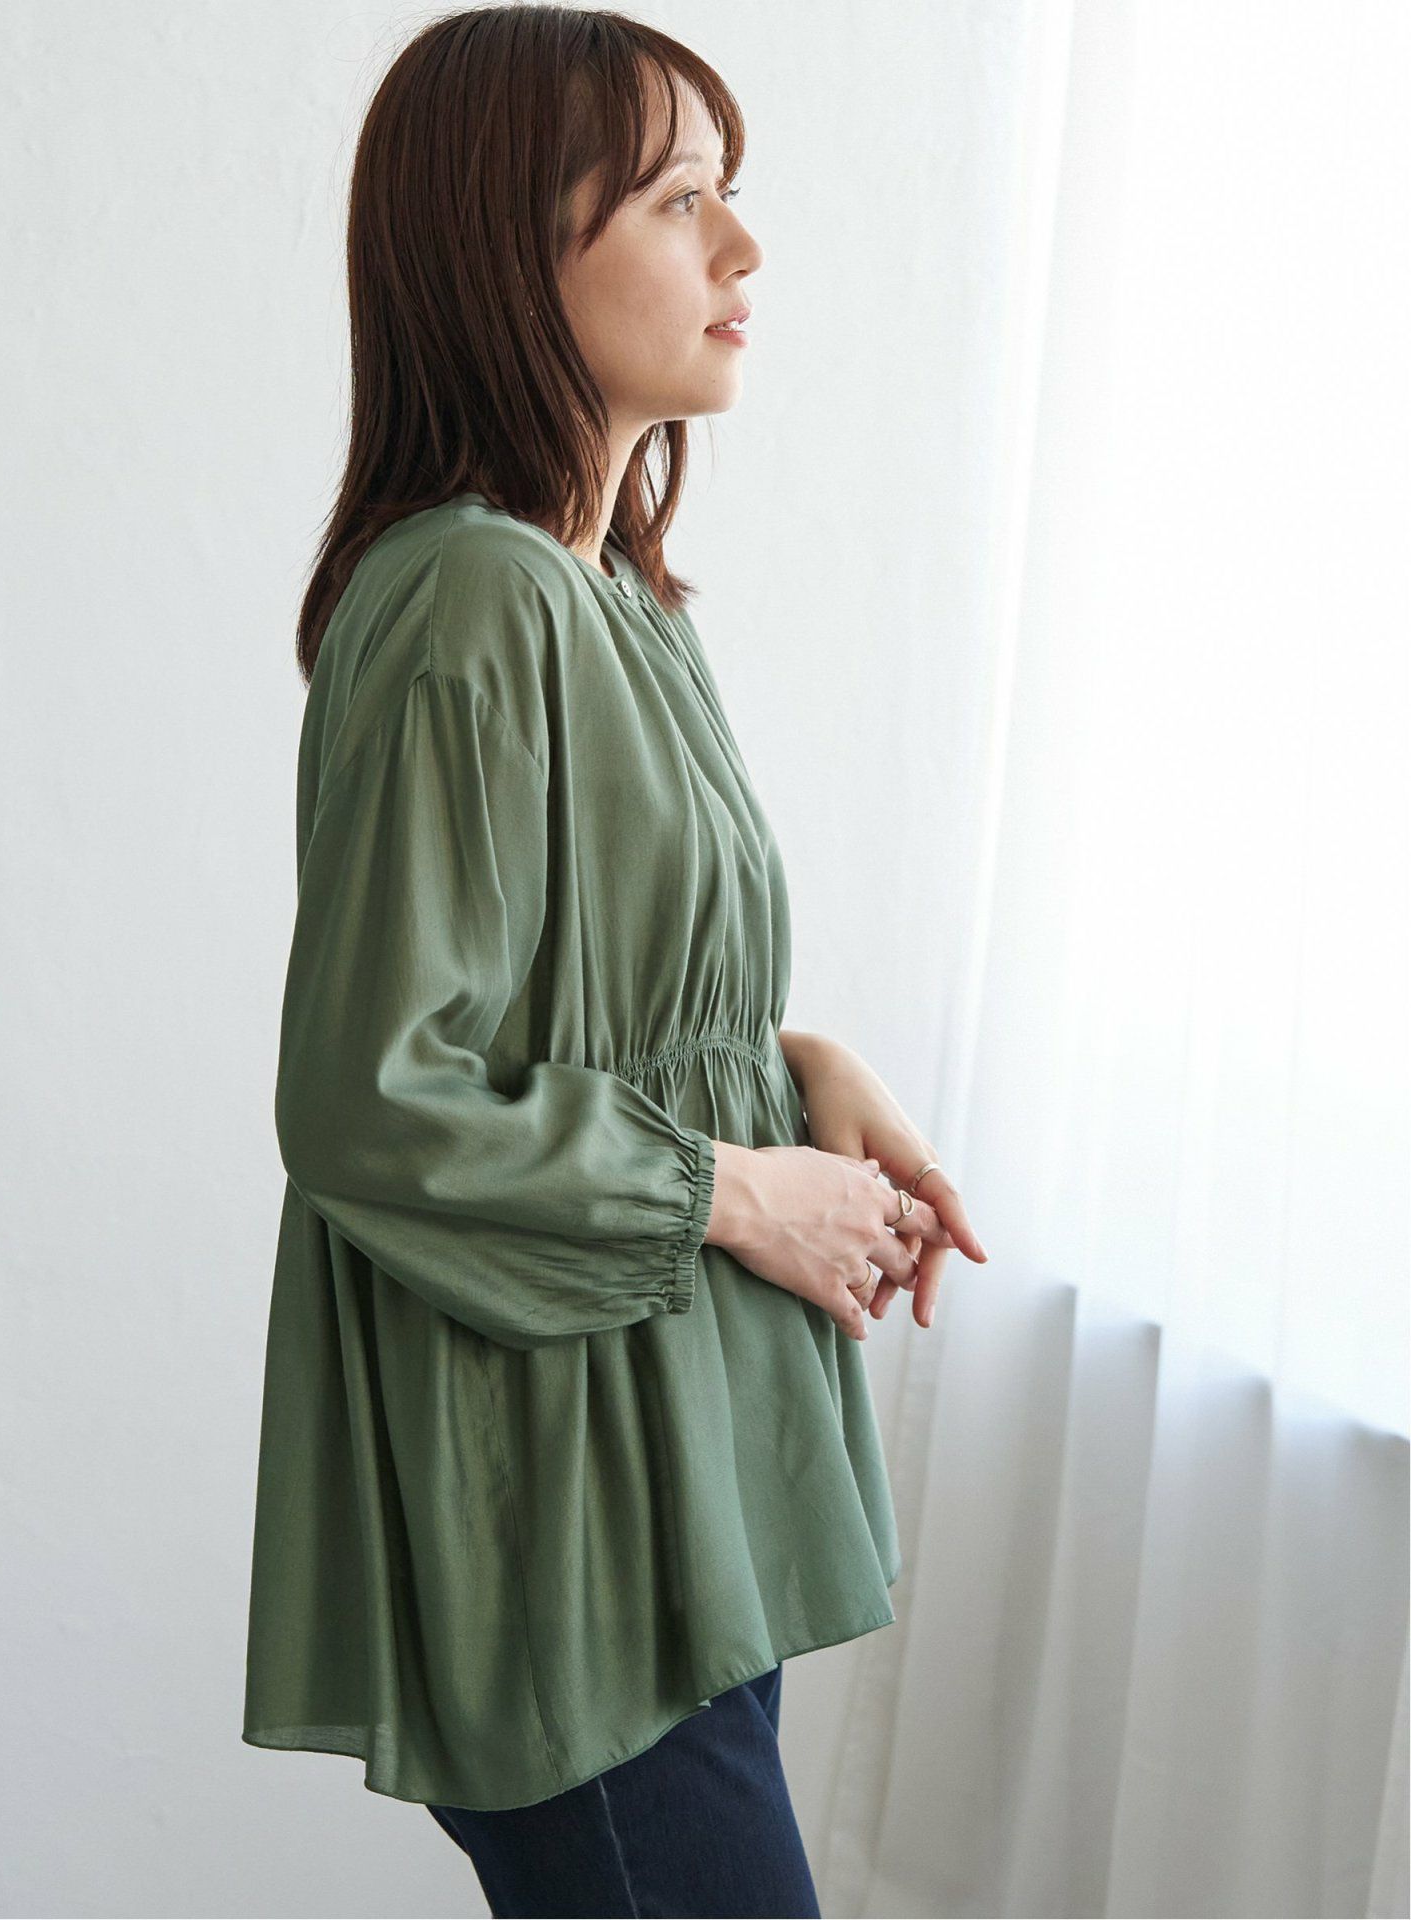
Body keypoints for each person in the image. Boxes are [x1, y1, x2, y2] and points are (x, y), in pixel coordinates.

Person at [242, 8, 987, 1915]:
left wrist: (799, 1068)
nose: (742, 248)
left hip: (654, 1479)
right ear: (517, 252)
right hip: (564, 1514)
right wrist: (739, 1191)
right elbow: (370, 1100)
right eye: (677, 200)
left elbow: (575, 1001)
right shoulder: (477, 597)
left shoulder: (611, 598)